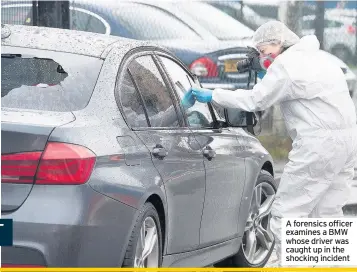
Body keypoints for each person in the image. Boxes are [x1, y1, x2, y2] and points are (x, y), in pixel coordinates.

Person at [190, 21, 357, 267]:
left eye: (264, 52)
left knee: (287, 213)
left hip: (319, 145)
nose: (261, 58)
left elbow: (255, 100)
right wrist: (270, 73)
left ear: (279, 43)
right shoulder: (320, 59)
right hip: (348, 142)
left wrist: (213, 95)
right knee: (328, 214)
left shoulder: (287, 66)